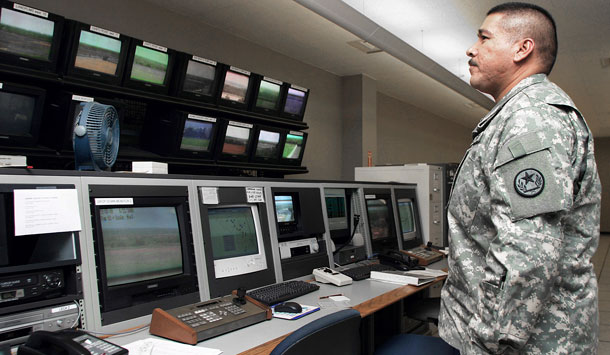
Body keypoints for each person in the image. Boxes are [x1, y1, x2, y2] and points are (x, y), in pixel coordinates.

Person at [438, 2, 601, 354]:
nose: (472, 48)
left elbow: (527, 253)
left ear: (522, 49)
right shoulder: (514, 116)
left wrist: (487, 344)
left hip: (522, 342)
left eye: (483, 37)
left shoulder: (532, 119)